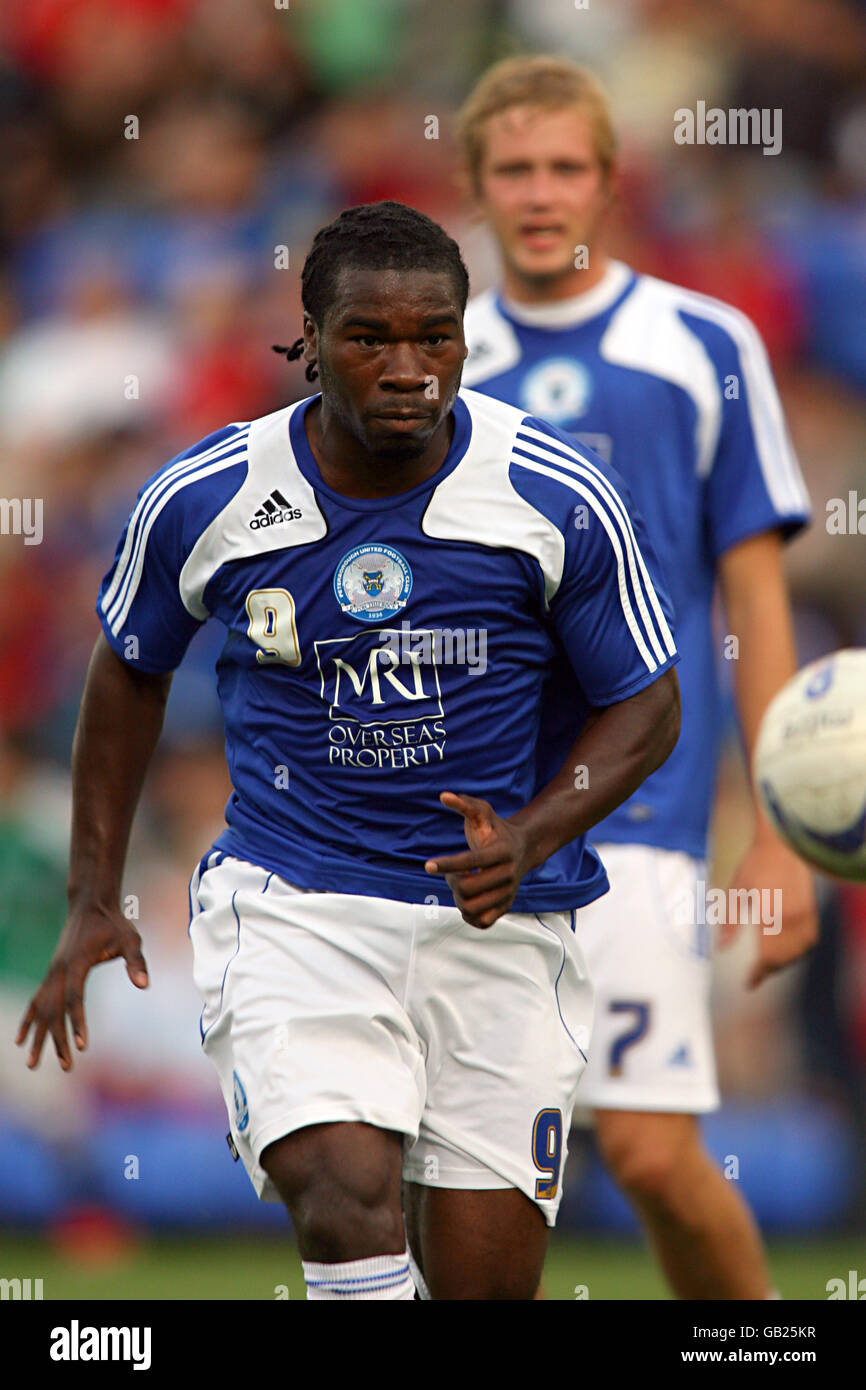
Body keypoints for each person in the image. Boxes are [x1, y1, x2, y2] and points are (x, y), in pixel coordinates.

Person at [17, 201, 681, 1301]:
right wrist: (95, 887)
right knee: (341, 1196)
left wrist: (531, 831)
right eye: (370, 337)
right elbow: (130, 666)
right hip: (295, 902)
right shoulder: (208, 496)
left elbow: (646, 703)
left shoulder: (552, 495)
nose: (409, 366)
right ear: (309, 342)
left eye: (436, 337)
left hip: (501, 923)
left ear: (468, 340)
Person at [456, 56, 818, 1299]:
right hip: (465, 817)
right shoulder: (434, 358)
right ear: (478, 186)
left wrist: (776, 839)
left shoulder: (701, 346)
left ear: (608, 183)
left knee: (654, 1156)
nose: (540, 192)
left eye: (565, 167)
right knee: (460, 1164)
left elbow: (752, 602)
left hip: (640, 812)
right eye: (515, 169)